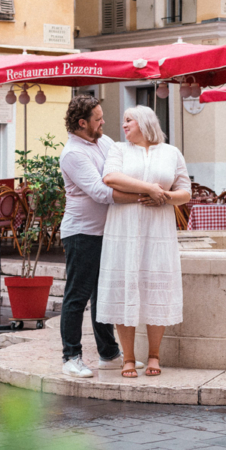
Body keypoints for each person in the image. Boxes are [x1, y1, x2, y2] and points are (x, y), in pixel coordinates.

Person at [97, 105, 191, 377]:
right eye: (124, 121)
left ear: (145, 122)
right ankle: (128, 358)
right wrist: (149, 188)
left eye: (129, 121)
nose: (124, 126)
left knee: (155, 288)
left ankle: (154, 355)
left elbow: (185, 191)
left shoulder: (171, 152)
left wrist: (165, 198)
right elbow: (110, 178)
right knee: (125, 286)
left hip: (159, 229)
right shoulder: (119, 149)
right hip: (124, 228)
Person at [56, 95, 126, 379]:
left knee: (103, 295)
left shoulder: (104, 142)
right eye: (98, 118)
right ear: (82, 123)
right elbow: (99, 192)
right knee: (77, 296)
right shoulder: (73, 153)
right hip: (81, 233)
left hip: (105, 232)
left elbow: (121, 164)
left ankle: (108, 354)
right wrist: (140, 195)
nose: (103, 122)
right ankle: (70, 357)